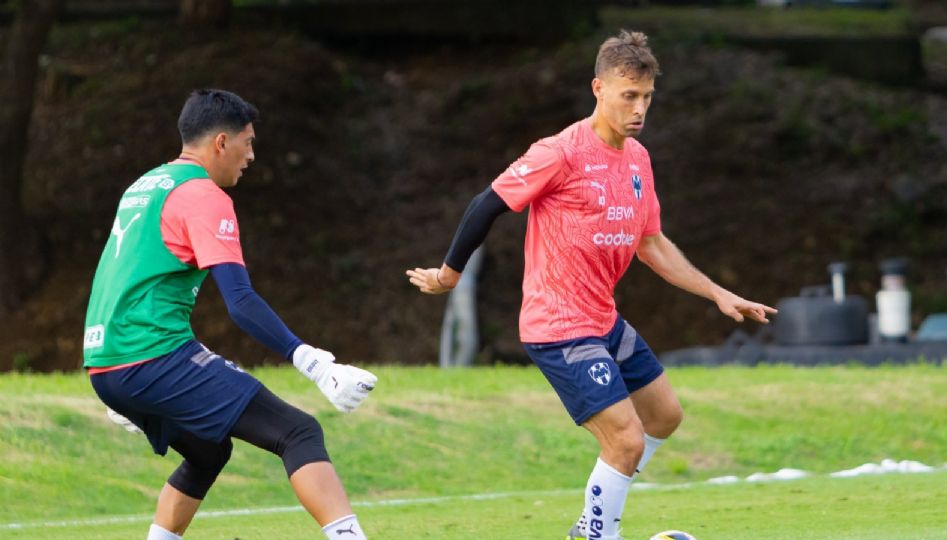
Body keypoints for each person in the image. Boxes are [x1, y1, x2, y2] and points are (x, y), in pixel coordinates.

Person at [406, 30, 776, 540]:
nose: (640, 107)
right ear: (598, 88)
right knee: (624, 441)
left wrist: (717, 292)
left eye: (647, 96)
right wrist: (449, 274)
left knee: (664, 417)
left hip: (602, 318)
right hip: (558, 324)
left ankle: (591, 522)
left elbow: (652, 244)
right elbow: (485, 203)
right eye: (629, 95)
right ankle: (600, 534)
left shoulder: (638, 159)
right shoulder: (559, 152)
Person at [82, 89, 377, 540]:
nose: (251, 156)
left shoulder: (146, 185)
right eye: (248, 142)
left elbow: (122, 276)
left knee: (207, 451)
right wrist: (315, 363)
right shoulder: (203, 196)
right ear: (221, 142)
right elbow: (240, 302)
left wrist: (122, 373)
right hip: (149, 356)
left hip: (105, 363)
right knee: (298, 432)